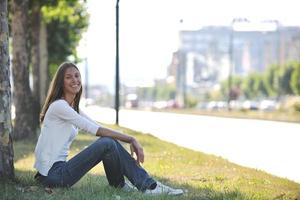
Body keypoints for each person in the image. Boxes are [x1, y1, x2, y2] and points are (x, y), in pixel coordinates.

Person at [33, 62, 183, 196]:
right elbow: (95, 130)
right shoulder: (60, 106)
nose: (75, 80)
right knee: (107, 143)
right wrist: (131, 139)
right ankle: (148, 186)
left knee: (109, 142)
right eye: (68, 77)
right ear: (61, 83)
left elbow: (97, 126)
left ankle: (122, 185)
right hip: (52, 175)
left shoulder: (72, 108)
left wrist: (123, 137)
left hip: (54, 172)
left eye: (77, 76)